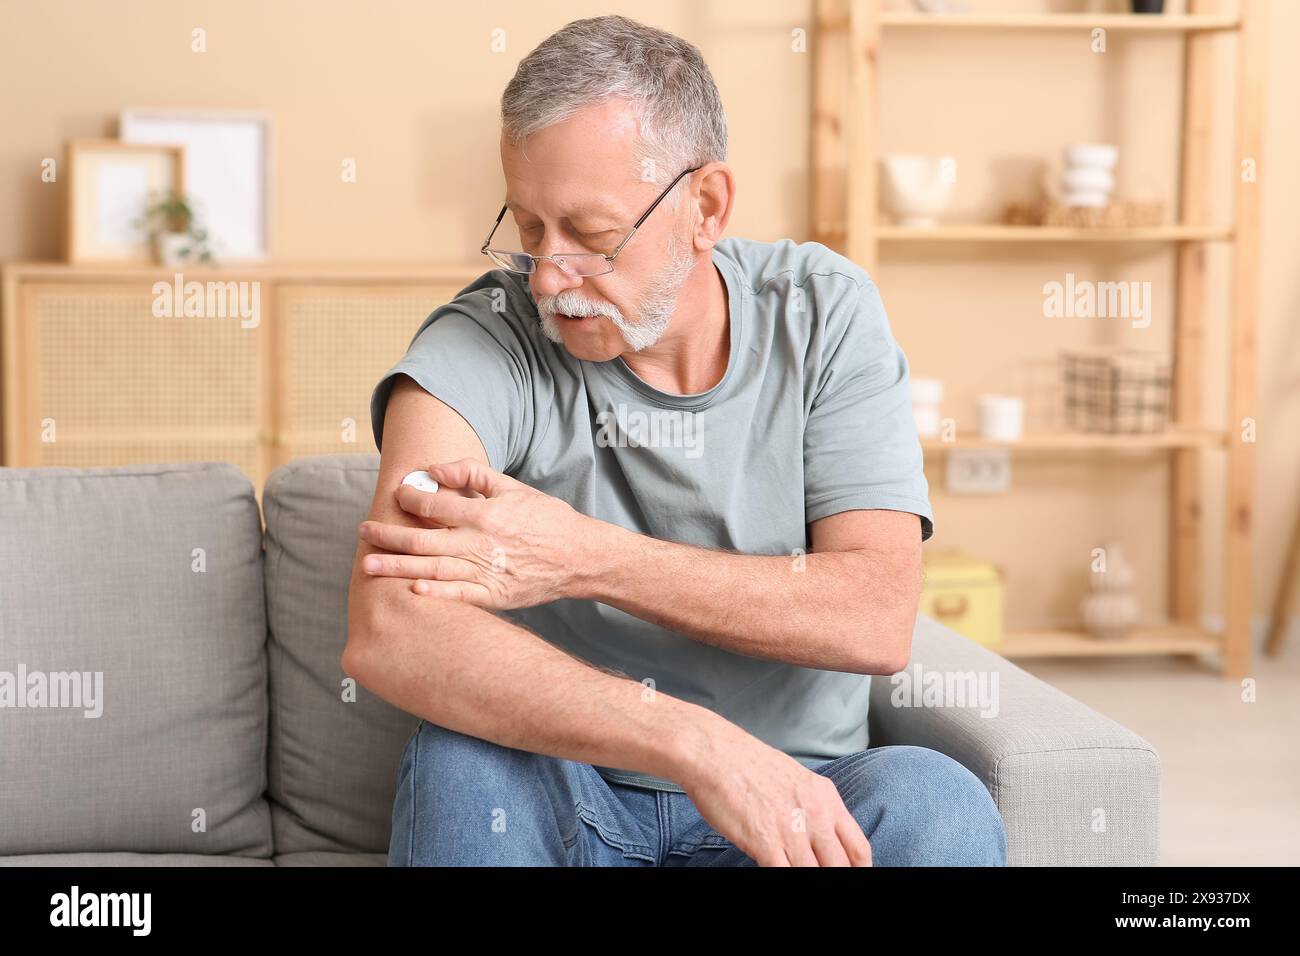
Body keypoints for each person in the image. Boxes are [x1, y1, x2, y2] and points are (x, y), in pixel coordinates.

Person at [344, 14, 1006, 867]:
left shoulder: (824, 313)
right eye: (529, 229)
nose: (548, 274)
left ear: (705, 207)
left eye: (590, 233)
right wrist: (693, 743)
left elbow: (876, 615)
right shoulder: (489, 337)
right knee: (460, 761)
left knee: (934, 800)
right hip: (563, 794)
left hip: (792, 809)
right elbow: (390, 628)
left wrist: (586, 557)